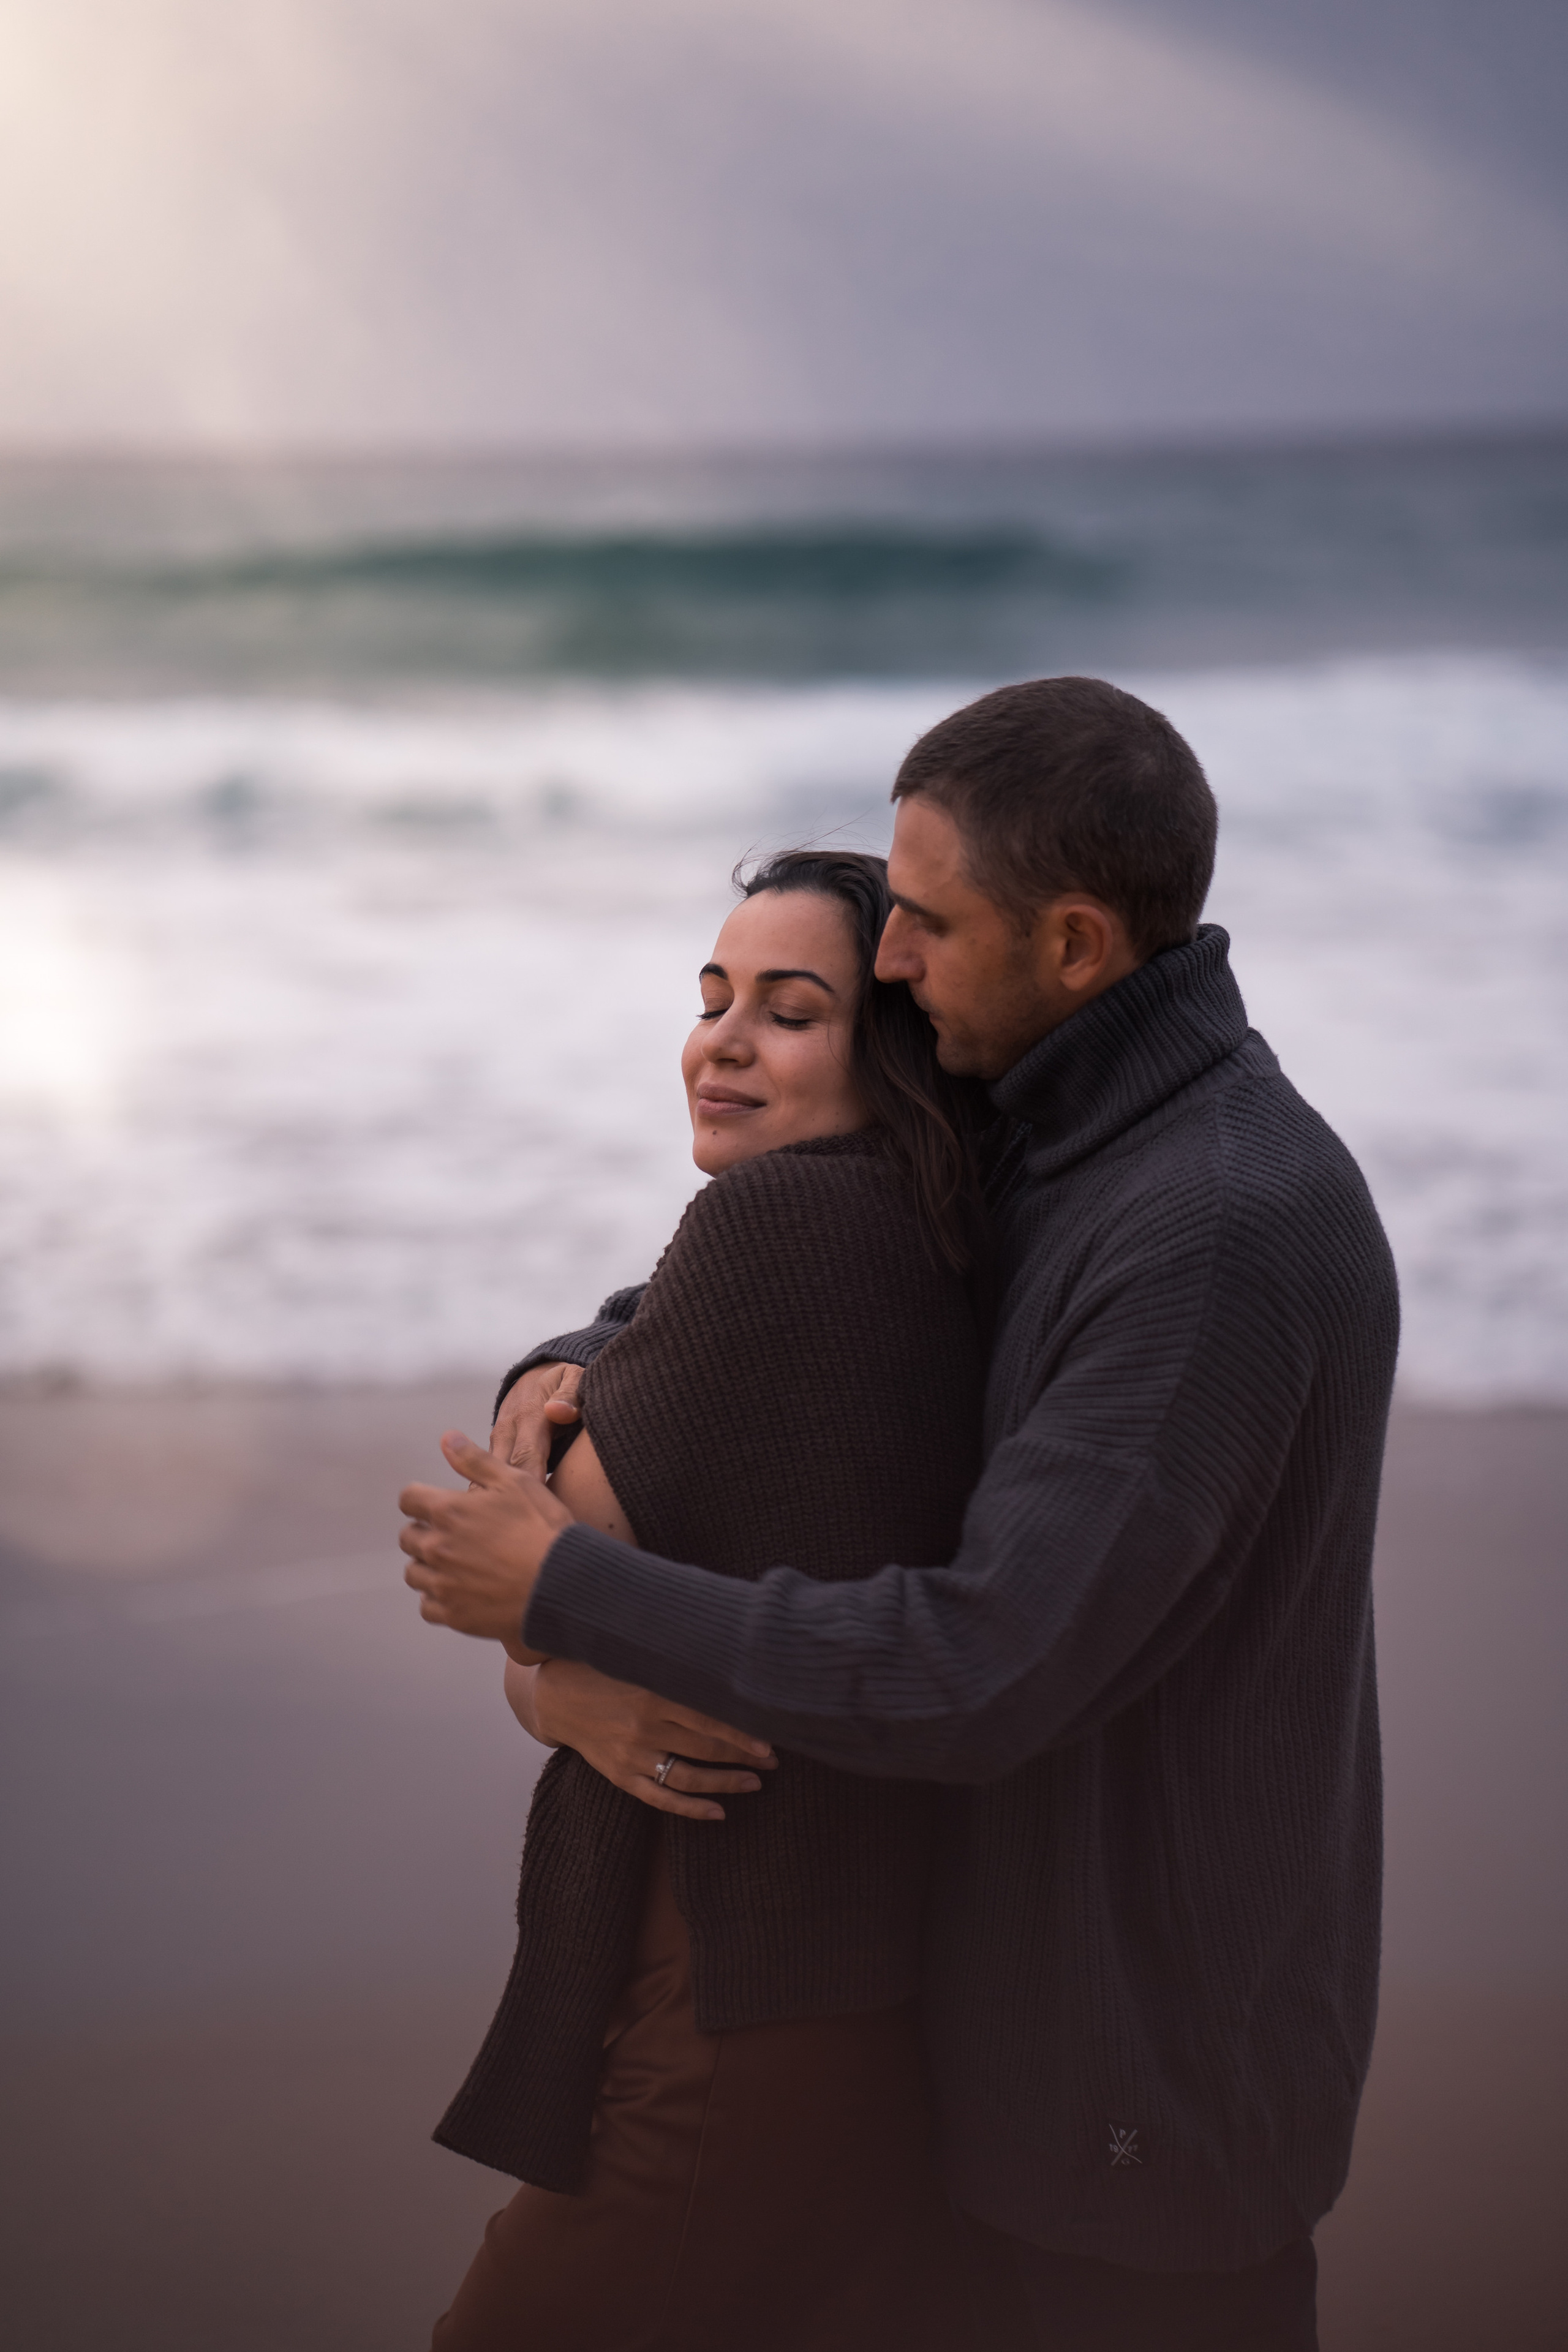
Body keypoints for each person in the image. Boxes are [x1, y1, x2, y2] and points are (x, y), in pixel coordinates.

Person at [402, 676, 1400, 2352]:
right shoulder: (1055, 1123)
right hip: (983, 2045)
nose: (892, 963)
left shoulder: (1210, 1226)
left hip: (1140, 2094)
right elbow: (812, 1244)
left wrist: (562, 1598)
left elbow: (980, 1668)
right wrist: (572, 1360)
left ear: (1073, 942)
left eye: (926, 922)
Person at [423, 850, 1009, 2351]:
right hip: (847, 1983)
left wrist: (549, 1675)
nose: (721, 1045)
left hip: (730, 1987)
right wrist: (578, 1358)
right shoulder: (924, 1230)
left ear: (891, 1047)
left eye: (789, 1013)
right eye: (710, 1000)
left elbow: (520, 1559)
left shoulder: (781, 1228)